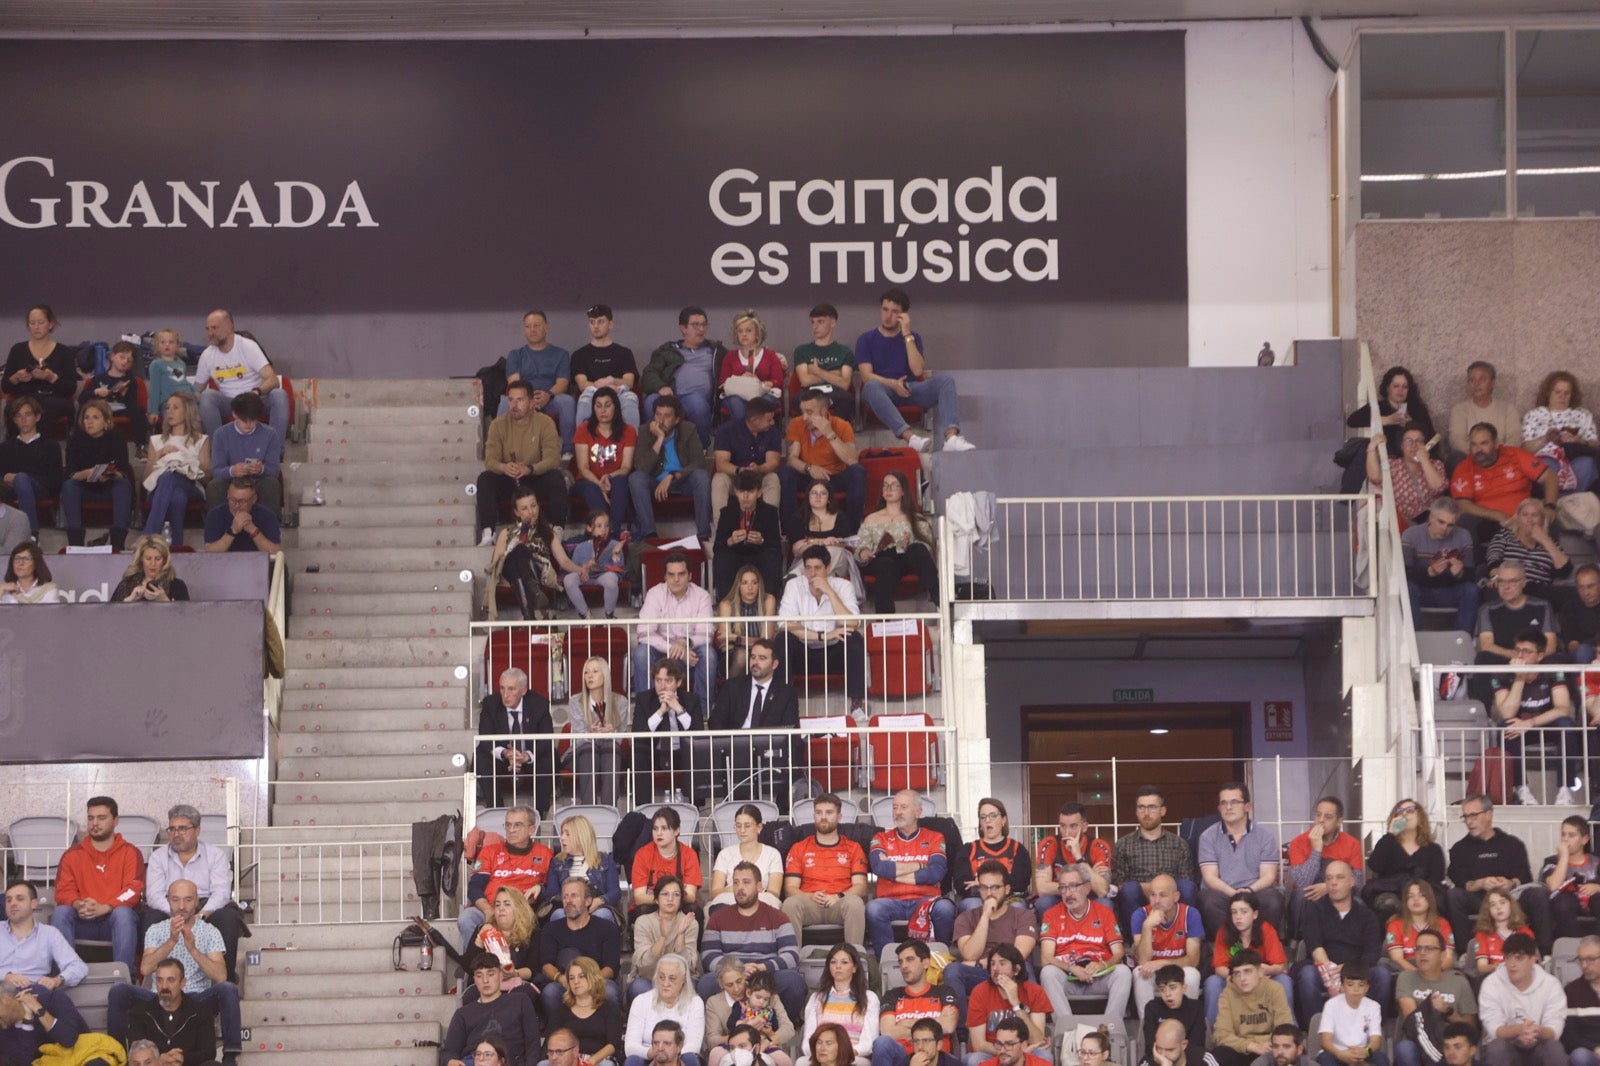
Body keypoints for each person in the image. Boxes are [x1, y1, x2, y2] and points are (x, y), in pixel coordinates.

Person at [106, 879, 242, 1064]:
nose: (181, 906)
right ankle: (118, 1056)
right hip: (158, 995)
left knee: (228, 989)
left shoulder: (210, 932)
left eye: (187, 900)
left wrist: (193, 949)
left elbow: (221, 976)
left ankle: (230, 1056)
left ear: (196, 902)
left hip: (195, 998)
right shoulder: (156, 929)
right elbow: (145, 968)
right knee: (119, 991)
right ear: (168, 901)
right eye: (176, 900)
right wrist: (171, 941)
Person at [856, 289, 973, 454]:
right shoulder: (866, 339)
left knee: (946, 381)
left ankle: (951, 438)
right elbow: (866, 376)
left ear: (903, 315)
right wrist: (892, 384)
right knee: (871, 387)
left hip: (908, 389)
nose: (888, 316)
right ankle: (911, 438)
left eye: (894, 311)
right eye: (885, 309)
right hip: (881, 390)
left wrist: (906, 334)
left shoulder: (913, 337)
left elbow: (917, 369)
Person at [143, 805, 245, 982]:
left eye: (183, 828)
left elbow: (221, 893)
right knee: (149, 917)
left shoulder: (215, 855)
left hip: (205, 907)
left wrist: (201, 914)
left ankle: (225, 981)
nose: (176, 834)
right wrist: (176, 912)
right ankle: (156, 981)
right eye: (172, 829)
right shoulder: (158, 857)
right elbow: (153, 895)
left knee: (228, 918)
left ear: (197, 830)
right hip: (169, 906)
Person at [1445, 794, 1551, 957]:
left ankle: (1544, 954)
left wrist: (1510, 883)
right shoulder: (1459, 849)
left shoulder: (1512, 844)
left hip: (1510, 898)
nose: (1468, 821)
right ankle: (1465, 952)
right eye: (1465, 816)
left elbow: (1525, 878)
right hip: (1479, 899)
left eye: (1473, 815)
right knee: (1453, 895)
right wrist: (1480, 883)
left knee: (1538, 893)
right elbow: (1460, 882)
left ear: (1489, 814)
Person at [698, 862, 806, 1022]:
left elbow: (791, 955)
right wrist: (738, 969)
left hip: (765, 973)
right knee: (706, 983)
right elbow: (708, 956)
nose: (740, 887)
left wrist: (763, 967)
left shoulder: (777, 917)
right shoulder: (718, 918)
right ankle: (730, 1028)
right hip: (732, 974)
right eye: (735, 882)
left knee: (794, 982)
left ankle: (776, 1027)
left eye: (746, 882)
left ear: (759, 886)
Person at [51, 795, 143, 973]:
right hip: (83, 920)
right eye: (90, 818)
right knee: (61, 912)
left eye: (101, 818)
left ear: (116, 821)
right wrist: (78, 904)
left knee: (123, 913)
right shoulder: (72, 855)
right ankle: (64, 975)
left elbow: (132, 890)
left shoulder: (130, 852)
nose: (95, 823)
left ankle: (124, 978)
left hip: (114, 921)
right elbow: (63, 890)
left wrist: (106, 907)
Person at [1489, 628, 1581, 806]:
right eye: (1517, 650)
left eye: (1527, 652)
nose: (1520, 655)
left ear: (1540, 656)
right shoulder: (1501, 673)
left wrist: (1529, 723)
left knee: (1566, 725)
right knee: (1505, 726)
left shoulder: (1552, 671)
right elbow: (1507, 713)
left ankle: (1565, 790)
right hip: (1518, 728)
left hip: (1545, 724)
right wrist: (1519, 679)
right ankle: (1522, 790)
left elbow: (1562, 708)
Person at [1290, 862, 1386, 1030]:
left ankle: (1373, 1029)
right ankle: (1318, 1030)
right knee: (1306, 975)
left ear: (1351, 882)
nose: (1333, 883)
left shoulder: (1367, 915)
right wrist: (1331, 972)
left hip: (1357, 969)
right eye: (1329, 878)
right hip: (1324, 968)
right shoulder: (1315, 909)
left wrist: (1349, 969)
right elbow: (1314, 944)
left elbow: (1372, 952)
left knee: (1382, 975)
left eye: (1339, 878)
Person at [702, 642, 799, 807]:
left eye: (762, 658)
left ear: (774, 664)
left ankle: (783, 811)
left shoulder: (786, 692)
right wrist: (732, 742)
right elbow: (715, 721)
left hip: (769, 751)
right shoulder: (733, 686)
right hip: (735, 749)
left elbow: (789, 728)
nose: (755, 662)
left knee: (795, 751)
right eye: (753, 657)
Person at [1038, 861, 1132, 1024]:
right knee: (1048, 973)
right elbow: (1046, 958)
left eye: (1073, 886)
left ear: (1088, 888)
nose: (1068, 893)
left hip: (1099, 976)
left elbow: (1118, 952)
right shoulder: (1051, 915)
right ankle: (1067, 1032)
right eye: (1063, 888)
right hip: (1068, 977)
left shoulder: (1104, 912)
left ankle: (1109, 1029)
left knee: (1123, 972)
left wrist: (1102, 965)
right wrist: (1072, 968)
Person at [479, 380, 568, 543]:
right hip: (509, 478)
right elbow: (490, 460)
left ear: (532, 402)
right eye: (511, 399)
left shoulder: (545, 423)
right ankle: (488, 533)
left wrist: (530, 469)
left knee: (556, 477)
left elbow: (552, 459)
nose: (514, 405)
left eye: (519, 400)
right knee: (485, 479)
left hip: (534, 477)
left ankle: (557, 529)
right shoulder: (497, 424)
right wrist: (503, 467)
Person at [780, 546, 867, 712]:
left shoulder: (843, 586)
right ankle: (783, 705)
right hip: (804, 652)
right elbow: (786, 624)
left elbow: (853, 623)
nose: (812, 574)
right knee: (783, 640)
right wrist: (823, 636)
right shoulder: (793, 585)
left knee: (854, 637)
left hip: (833, 654)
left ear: (828, 568)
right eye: (808, 568)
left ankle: (857, 706)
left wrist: (830, 592)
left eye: (818, 568)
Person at [867, 790, 954, 955]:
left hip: (926, 901)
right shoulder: (880, 838)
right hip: (890, 901)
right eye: (895, 807)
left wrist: (893, 874)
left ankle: (940, 959)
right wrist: (921, 866)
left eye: (903, 807)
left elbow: (936, 873)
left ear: (918, 812)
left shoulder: (935, 837)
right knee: (873, 909)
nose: (898, 812)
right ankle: (887, 961)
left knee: (945, 908)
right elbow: (880, 868)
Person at [459, 804, 555, 948]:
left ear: (531, 829)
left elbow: (552, 890)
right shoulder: (489, 852)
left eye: (517, 825)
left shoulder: (545, 854)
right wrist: (488, 910)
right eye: (508, 825)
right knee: (466, 918)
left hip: (526, 912)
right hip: (491, 908)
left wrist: (540, 888)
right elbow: (474, 887)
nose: (511, 830)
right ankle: (477, 966)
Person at [1197, 783, 1284, 939]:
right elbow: (1210, 877)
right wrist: (1234, 894)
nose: (1228, 807)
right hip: (1223, 892)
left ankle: (1262, 947)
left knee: (1273, 900)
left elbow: (1268, 876)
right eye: (1224, 803)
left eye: (1234, 802)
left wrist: (1248, 892)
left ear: (1247, 806)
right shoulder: (1208, 836)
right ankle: (1229, 949)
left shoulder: (1265, 836)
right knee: (1208, 901)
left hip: (1254, 891)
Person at [782, 793, 869, 948]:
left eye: (829, 812)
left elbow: (861, 887)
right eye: (819, 812)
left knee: (855, 903)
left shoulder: (853, 847)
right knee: (790, 904)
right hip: (810, 903)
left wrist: (838, 896)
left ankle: (855, 959)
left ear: (839, 816)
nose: (823, 817)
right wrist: (810, 896)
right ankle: (791, 961)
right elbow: (790, 889)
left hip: (840, 902)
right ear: (813, 815)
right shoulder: (799, 848)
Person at [1451, 424, 1558, 544]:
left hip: (1523, 516)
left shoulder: (1515, 455)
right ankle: (1479, 563)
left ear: (1496, 443)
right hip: (1489, 521)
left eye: (1484, 443)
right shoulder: (1464, 468)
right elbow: (1463, 505)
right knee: (1466, 521)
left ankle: (1548, 561)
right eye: (1474, 444)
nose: (1478, 449)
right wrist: (1499, 516)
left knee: (1547, 518)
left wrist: (1550, 506)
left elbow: (1549, 476)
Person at [1111, 786, 1199, 930]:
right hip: (1138, 900)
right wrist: (1152, 891)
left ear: (1162, 811)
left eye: (1152, 807)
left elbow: (1186, 880)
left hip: (1171, 899)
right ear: (1136, 811)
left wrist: (1162, 892)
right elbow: (1119, 883)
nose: (1146, 813)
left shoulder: (1179, 844)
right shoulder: (1123, 844)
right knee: (1129, 889)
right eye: (1141, 807)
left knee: (1187, 887)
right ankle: (1137, 942)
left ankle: (1185, 936)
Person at [488, 486, 581, 621]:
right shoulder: (506, 533)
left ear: (538, 506)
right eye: (524, 509)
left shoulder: (549, 532)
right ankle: (536, 593)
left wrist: (580, 569)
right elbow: (496, 563)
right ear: (516, 512)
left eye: (533, 506)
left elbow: (564, 561)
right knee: (519, 551)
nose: (531, 512)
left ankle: (529, 617)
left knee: (520, 568)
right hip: (508, 573)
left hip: (537, 570)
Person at [780, 390, 866, 532]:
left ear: (824, 411)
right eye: (802, 412)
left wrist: (829, 433)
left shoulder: (842, 425)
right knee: (786, 472)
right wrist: (809, 468)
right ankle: (790, 532)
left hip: (834, 477)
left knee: (858, 472)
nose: (804, 417)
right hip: (808, 476)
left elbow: (852, 460)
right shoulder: (796, 424)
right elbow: (792, 459)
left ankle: (852, 531)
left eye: (809, 412)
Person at [1203, 892, 1293, 1027]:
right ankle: (1212, 1031)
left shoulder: (1266, 929)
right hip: (1233, 979)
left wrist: (1266, 969)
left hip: (1263, 979)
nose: (1238, 917)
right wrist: (1234, 976)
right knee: (1212, 982)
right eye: (1234, 912)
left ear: (1255, 914)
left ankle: (1288, 1028)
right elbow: (1219, 967)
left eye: (1244, 912)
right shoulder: (1224, 931)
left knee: (1283, 980)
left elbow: (1279, 965)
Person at [194, 309, 288, 436]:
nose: (210, 333)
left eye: (214, 328)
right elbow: (196, 390)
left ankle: (276, 452)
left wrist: (255, 392)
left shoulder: (248, 346)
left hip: (255, 399)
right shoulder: (207, 355)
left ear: (229, 326)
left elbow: (273, 380)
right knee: (207, 396)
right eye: (207, 329)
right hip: (230, 403)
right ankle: (217, 448)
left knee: (279, 395)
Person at [631, 395, 714, 541]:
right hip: (654, 482)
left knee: (701, 476)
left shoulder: (688, 429)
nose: (661, 420)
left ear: (676, 419)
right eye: (658, 415)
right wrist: (659, 439)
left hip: (682, 481)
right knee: (636, 478)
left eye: (667, 416)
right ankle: (650, 534)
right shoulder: (645, 431)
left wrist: (672, 475)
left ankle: (703, 535)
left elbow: (699, 462)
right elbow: (641, 467)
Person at [473, 669, 555, 812]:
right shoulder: (490, 704)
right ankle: (495, 810)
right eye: (502, 688)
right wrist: (506, 753)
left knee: (549, 758)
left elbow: (546, 740)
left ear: (523, 690)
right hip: (503, 759)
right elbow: (485, 739)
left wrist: (526, 756)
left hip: (529, 758)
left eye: (511, 689)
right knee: (480, 757)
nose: (505, 694)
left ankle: (540, 813)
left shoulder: (539, 704)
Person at [1478, 933, 1566, 1066]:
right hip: (1506, 1046)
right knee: (1497, 1048)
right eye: (1508, 958)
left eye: (1519, 958)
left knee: (1554, 1049)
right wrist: (1519, 1030)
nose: (1512, 964)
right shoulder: (1491, 983)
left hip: (1538, 1046)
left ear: (1533, 959)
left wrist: (1537, 1031)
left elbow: (1554, 1029)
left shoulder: (1551, 984)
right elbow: (1494, 1030)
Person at [1394, 929, 1477, 1066]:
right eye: (1418, 948)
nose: (1422, 953)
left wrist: (1448, 1011)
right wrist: (1428, 1007)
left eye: (1429, 948)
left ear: (1443, 955)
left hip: (1452, 1045)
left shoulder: (1458, 981)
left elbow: (1470, 1027)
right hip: (1418, 1044)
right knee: (1405, 1048)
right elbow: (1412, 1021)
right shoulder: (1406, 977)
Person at [870, 940, 961, 1066]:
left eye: (910, 959)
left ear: (925, 963)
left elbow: (949, 1025)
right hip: (902, 1058)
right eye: (900, 961)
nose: (904, 966)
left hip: (936, 1058)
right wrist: (933, 1027)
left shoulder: (944, 992)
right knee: (882, 1043)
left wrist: (907, 1024)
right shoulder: (892, 995)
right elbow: (888, 1032)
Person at [856, 471, 937, 611]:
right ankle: (884, 620)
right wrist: (864, 552)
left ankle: (937, 596)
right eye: (885, 486)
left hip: (905, 558)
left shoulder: (916, 518)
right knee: (886, 564)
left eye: (894, 486)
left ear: (903, 491)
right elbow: (861, 545)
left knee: (917, 549)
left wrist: (908, 544)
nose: (888, 489)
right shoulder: (871, 519)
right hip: (880, 559)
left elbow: (927, 547)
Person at [441, 953, 541, 1066]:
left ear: (500, 975)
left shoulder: (520, 1001)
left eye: (490, 974)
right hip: (474, 1061)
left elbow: (533, 1042)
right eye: (479, 976)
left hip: (510, 1060)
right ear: (474, 980)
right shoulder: (463, 1013)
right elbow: (449, 1051)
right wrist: (451, 1061)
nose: (485, 980)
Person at [540, 879, 623, 1015]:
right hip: (564, 981)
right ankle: (556, 1032)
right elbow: (545, 964)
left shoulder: (607, 928)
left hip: (596, 980)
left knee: (609, 991)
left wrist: (589, 982)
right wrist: (563, 980)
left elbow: (611, 967)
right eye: (565, 896)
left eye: (574, 896)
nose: (568, 901)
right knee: (550, 992)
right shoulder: (551, 929)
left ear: (588, 901)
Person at [1285, 797, 1365, 936]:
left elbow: (1356, 882)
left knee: (1358, 902)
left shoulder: (1352, 844)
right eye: (1318, 815)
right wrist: (1316, 850)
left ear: (1339, 821)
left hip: (1339, 892)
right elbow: (1302, 883)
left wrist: (1328, 888)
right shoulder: (1298, 842)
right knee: (1300, 896)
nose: (1321, 820)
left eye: (1328, 817)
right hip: (1309, 892)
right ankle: (1298, 943)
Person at [644, 307, 724, 445]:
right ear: (683, 328)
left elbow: (735, 363)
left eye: (704, 324)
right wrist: (661, 387)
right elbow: (649, 373)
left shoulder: (716, 351)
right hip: (670, 396)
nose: (701, 329)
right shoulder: (667, 351)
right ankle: (653, 447)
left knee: (696, 402)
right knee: (651, 401)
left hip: (697, 398)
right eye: (695, 325)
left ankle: (701, 449)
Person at [632, 659, 707, 804]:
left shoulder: (691, 700)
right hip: (655, 753)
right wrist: (660, 712)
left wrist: (679, 709)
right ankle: (642, 808)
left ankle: (696, 809)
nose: (662, 686)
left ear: (678, 682)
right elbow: (638, 732)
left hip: (682, 753)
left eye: (668, 681)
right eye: (658, 680)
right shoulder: (644, 699)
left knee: (698, 755)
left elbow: (698, 733)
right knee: (639, 754)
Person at [61, 398, 133, 549]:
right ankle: (75, 543)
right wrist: (87, 473)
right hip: (84, 488)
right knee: (69, 486)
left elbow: (124, 472)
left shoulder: (117, 439)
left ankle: (118, 542)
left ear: (106, 421)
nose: (89, 422)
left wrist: (108, 474)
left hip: (109, 487)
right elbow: (70, 473)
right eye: (86, 417)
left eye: (95, 417)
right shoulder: (75, 440)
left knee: (123, 485)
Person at [710, 395, 784, 542]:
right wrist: (740, 470)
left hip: (759, 478)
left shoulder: (773, 432)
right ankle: (721, 531)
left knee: (773, 478)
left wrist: (759, 468)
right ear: (754, 420)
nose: (772, 422)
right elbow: (721, 463)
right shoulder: (726, 430)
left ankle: (768, 531)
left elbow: (773, 462)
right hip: (735, 478)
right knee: (719, 479)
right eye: (768, 420)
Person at [502, 310, 577, 454]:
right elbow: (514, 383)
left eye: (536, 325)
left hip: (550, 399)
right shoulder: (515, 355)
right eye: (528, 326)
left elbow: (563, 383)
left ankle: (568, 452)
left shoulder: (561, 354)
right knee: (504, 404)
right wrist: (528, 400)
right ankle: (503, 451)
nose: (532, 330)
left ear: (546, 328)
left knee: (567, 402)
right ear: (524, 330)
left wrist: (548, 395)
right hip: (523, 399)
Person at [1131, 874, 1205, 1017]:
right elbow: (1143, 961)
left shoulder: (1191, 914)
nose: (1157, 901)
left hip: (1178, 969)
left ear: (1176, 896)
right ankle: (1147, 1027)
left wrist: (1164, 963)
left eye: (1163, 895)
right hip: (1153, 972)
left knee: (1192, 974)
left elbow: (1193, 960)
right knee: (1139, 973)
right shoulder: (1140, 915)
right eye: (1153, 895)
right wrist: (1147, 926)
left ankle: (1186, 1024)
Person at [1402, 498, 1479, 634]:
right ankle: (1414, 639)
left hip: (1449, 591)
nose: (1445, 529)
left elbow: (1471, 574)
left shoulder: (1463, 536)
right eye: (1441, 522)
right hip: (1421, 591)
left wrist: (1460, 573)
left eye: (1451, 525)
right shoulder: (1411, 534)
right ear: (1431, 517)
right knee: (1408, 588)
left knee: (1471, 590)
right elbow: (1404, 573)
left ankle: (1462, 640)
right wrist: (1429, 572)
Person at [963, 945, 1049, 1066]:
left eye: (1002, 964)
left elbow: (1037, 1040)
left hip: (1026, 1051)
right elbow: (979, 1044)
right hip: (992, 1053)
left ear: (1016, 969)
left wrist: (1016, 1004)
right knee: (975, 1059)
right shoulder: (979, 992)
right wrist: (1011, 1053)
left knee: (1044, 1056)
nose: (995, 969)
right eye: (992, 964)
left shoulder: (1034, 991)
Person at [142, 392, 209, 546]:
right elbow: (146, 480)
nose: (169, 412)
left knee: (170, 477)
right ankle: (176, 547)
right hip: (159, 489)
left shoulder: (201, 439)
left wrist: (183, 461)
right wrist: (158, 455)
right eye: (167, 408)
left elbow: (207, 477)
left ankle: (148, 536)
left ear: (187, 411)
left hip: (191, 486)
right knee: (176, 496)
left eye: (175, 407)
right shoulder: (156, 440)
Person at [1364, 799, 1447, 921]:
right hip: (1392, 892)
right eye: (1399, 811)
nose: (1404, 814)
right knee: (1387, 904)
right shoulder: (1388, 843)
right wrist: (1391, 834)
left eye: (1410, 811)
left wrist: (1417, 894)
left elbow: (1436, 879)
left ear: (1420, 818)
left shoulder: (1433, 849)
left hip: (1423, 894)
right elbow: (1375, 866)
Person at [127, 956, 219, 1066]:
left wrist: (182, 1058)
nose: (164, 986)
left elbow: (208, 1052)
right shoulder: (140, 1012)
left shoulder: (200, 1012)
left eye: (170, 980)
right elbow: (135, 1051)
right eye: (160, 980)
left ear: (183, 983)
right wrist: (159, 1059)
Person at [801, 945, 880, 1066]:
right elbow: (808, 1040)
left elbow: (869, 1041)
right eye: (833, 962)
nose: (838, 966)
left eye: (844, 962)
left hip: (854, 1056)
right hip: (822, 1056)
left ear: (854, 967)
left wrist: (844, 1053)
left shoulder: (869, 998)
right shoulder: (816, 998)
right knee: (801, 1062)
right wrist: (824, 1054)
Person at [0, 879, 86, 989]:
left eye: (20, 899)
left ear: (34, 904)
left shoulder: (49, 934)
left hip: (34, 992)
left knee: (58, 999)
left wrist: (57, 980)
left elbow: (78, 966)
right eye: (8, 900)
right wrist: (6, 976)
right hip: (1, 989)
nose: (13, 903)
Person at [706, 962, 797, 1066]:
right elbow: (712, 1039)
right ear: (721, 985)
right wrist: (741, 1033)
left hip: (764, 1043)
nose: (736, 989)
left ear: (745, 977)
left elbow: (788, 1028)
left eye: (739, 981)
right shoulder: (714, 1002)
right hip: (733, 1046)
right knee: (715, 1054)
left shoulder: (766, 994)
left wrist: (768, 1038)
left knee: (783, 1060)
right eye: (729, 985)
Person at [573, 386, 637, 536]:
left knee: (621, 480)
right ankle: (611, 532)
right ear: (593, 408)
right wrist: (599, 483)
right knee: (592, 489)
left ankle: (612, 531)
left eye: (607, 405)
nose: (603, 410)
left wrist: (608, 477)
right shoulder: (584, 429)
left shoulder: (628, 431)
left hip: (614, 479)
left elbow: (626, 466)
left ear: (616, 407)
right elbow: (582, 467)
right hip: (588, 481)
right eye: (598, 406)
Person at [1486, 498, 1572, 609]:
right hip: (1509, 584)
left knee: (1569, 595)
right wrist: (1498, 577)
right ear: (1518, 518)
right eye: (1525, 515)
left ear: (1541, 520)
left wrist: (1545, 540)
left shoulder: (1550, 543)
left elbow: (1565, 570)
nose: (1529, 519)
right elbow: (1493, 560)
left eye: (1534, 515)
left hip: (1539, 590)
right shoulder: (1504, 536)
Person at [1213, 951, 1296, 1066]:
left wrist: (1267, 1045)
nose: (1242, 978)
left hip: (1270, 1048)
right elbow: (1221, 1035)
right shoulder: (1227, 994)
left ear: (1260, 972)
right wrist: (1252, 1046)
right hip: (1242, 1050)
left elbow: (1284, 1027)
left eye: (1247, 971)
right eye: (1237, 974)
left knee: (1288, 1051)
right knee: (1220, 1054)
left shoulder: (1274, 989)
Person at [1523, 370, 1599, 493]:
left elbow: (1594, 444)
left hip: (1574, 457)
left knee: (1588, 463)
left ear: (1572, 395)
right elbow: (1525, 449)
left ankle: (1563, 501)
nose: (1562, 397)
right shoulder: (1534, 415)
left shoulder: (1583, 414)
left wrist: (1579, 440)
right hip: (1547, 458)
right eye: (1557, 392)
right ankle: (1566, 502)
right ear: (1548, 393)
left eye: (1566, 393)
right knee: (1546, 464)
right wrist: (1545, 439)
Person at [5, 305, 77, 435]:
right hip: (25, 398)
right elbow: (5, 387)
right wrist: (16, 377)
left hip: (54, 399)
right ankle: (15, 448)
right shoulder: (17, 350)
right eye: (32, 323)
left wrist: (51, 377)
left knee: (44, 408)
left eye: (41, 322)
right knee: (18, 408)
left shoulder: (64, 352)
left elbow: (71, 388)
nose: (36, 327)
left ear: (50, 324)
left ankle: (39, 448)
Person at [205, 391, 282, 511]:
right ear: (234, 414)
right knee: (214, 486)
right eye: (244, 420)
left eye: (253, 420)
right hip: (231, 481)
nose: (249, 424)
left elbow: (274, 470)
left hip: (257, 482)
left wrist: (261, 469)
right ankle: (219, 527)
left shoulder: (270, 434)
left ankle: (267, 527)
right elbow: (216, 470)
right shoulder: (221, 434)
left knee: (271, 484)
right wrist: (232, 471)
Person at [714, 469, 784, 601]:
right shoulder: (727, 512)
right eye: (741, 491)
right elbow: (718, 546)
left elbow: (776, 545)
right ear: (735, 491)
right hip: (735, 556)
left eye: (750, 492)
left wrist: (762, 540)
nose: (745, 496)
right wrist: (730, 541)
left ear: (759, 492)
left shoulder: (770, 512)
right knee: (722, 557)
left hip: (759, 556)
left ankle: (769, 602)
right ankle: (725, 604)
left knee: (772, 557)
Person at [0, 395, 64, 538]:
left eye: (28, 414)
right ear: (14, 420)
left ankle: (31, 535)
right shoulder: (5, 447)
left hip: (40, 489)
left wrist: (23, 479)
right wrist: (6, 477)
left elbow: (56, 480)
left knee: (22, 478)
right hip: (9, 490)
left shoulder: (51, 446)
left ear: (37, 417)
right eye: (18, 416)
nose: (23, 420)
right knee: (19, 480)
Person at [565, 657, 627, 805]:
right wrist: (589, 734)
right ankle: (589, 807)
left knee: (610, 748)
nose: (589, 676)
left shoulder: (620, 701)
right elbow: (578, 739)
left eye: (595, 671)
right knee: (589, 750)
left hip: (607, 751)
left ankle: (609, 808)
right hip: (581, 753)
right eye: (586, 673)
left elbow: (620, 739)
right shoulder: (575, 701)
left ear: (605, 675)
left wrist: (612, 732)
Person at [952, 800, 1033, 913]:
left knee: (1017, 907)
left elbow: (1021, 883)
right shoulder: (968, 849)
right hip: (977, 899)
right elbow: (961, 884)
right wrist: (1002, 884)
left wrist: (981, 885)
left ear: (1003, 820)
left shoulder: (1017, 849)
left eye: (993, 816)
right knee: (973, 906)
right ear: (980, 824)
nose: (988, 820)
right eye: (983, 817)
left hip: (1010, 899)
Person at [788, 478, 864, 597]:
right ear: (808, 497)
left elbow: (844, 544)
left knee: (834, 550)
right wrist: (824, 542)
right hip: (807, 560)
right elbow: (797, 549)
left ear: (829, 498)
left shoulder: (840, 517)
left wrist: (811, 542)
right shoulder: (798, 517)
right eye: (814, 493)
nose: (818, 496)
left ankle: (797, 576)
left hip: (837, 561)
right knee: (826, 570)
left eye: (823, 493)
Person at [629, 876, 699, 1002]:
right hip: (649, 977)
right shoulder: (643, 922)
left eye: (676, 894)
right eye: (665, 894)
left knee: (692, 986)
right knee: (638, 987)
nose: (670, 899)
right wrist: (662, 938)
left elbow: (689, 965)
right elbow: (643, 963)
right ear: (656, 899)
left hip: (679, 979)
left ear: (681, 899)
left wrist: (681, 934)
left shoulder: (689, 922)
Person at [0, 983, 107, 1066]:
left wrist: (38, 1009)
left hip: (83, 1055)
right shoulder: (3, 1028)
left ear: (6, 999)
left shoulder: (53, 998)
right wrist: (27, 1022)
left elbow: (68, 1040)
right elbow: (24, 1061)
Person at [624, 957, 705, 1066]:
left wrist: (669, 1055)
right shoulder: (641, 1001)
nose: (665, 983)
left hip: (679, 1056)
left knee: (691, 1059)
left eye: (672, 978)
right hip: (647, 1055)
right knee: (632, 1061)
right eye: (661, 977)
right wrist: (654, 1053)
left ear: (684, 980)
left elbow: (693, 1045)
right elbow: (630, 1047)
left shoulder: (695, 1002)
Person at [1366, 422, 1447, 527]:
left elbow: (1439, 487)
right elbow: (1374, 477)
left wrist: (1424, 460)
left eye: (1419, 441)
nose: (1414, 446)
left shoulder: (1436, 464)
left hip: (1431, 522)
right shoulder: (1393, 465)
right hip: (1403, 523)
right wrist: (1372, 447)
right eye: (1409, 441)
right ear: (1402, 446)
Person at [572, 306, 641, 428]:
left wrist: (612, 380)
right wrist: (604, 386)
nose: (596, 326)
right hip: (592, 392)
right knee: (584, 400)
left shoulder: (624, 352)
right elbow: (582, 384)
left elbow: (629, 382)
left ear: (610, 324)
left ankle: (631, 444)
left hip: (618, 391)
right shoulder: (579, 354)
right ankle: (581, 445)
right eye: (592, 322)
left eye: (600, 321)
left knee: (631, 398)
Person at [1348, 366, 1436, 459]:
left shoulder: (1416, 408)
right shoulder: (1378, 407)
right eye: (1396, 386)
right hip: (1390, 460)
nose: (1400, 390)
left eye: (1405, 387)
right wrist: (1386, 420)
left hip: (1418, 459)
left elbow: (1433, 440)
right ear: (1387, 388)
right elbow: (1352, 421)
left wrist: (1411, 424)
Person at [708, 805, 785, 910]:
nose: (742, 830)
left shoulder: (772, 854)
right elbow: (715, 892)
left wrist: (751, 891)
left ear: (759, 827)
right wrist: (734, 889)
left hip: (761, 900)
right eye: (738, 826)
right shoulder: (725, 854)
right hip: (730, 900)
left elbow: (774, 892)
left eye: (747, 826)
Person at [549, 958, 624, 1066]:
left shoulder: (609, 1007)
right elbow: (550, 1040)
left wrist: (591, 1061)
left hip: (599, 1060)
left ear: (592, 977)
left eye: (581, 976)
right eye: (571, 978)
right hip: (566, 1061)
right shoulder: (561, 1010)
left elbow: (613, 1044)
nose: (576, 982)